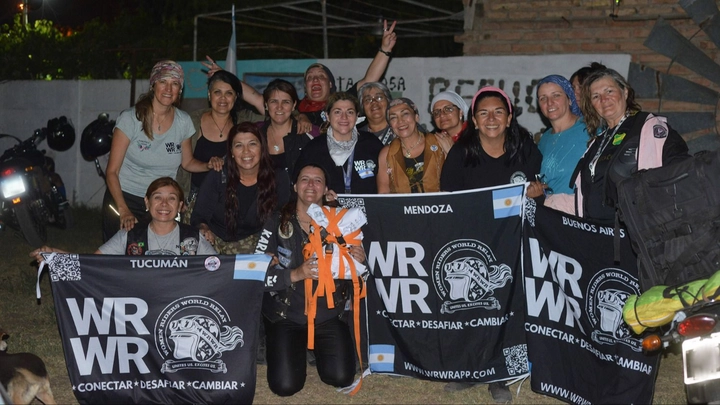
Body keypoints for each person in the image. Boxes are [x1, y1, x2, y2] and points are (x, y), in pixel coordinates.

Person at [255, 163, 365, 396]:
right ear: (295, 186)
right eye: (305, 179)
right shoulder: (276, 222)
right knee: (285, 386)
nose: (311, 185)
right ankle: (283, 344)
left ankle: (312, 349)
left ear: (326, 189)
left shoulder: (343, 221)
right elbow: (255, 276)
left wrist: (359, 260)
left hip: (327, 315)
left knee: (341, 377)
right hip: (287, 315)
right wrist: (295, 274)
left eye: (318, 180)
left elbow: (362, 274)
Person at [547, 67, 690, 224]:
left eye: (609, 91)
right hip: (597, 232)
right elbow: (585, 199)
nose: (603, 99)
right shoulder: (596, 142)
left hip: (637, 232)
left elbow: (681, 168)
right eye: (596, 96)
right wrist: (544, 202)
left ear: (625, 92)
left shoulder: (646, 127)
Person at [102, 60, 223, 242]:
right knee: (119, 255)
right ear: (153, 85)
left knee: (156, 255)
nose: (168, 89)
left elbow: (187, 162)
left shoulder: (183, 121)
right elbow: (112, 171)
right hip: (124, 198)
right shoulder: (130, 119)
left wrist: (209, 165)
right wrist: (124, 210)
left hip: (160, 202)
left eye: (175, 84)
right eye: (163, 82)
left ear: (180, 90)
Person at [32, 177, 216, 258]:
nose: (164, 204)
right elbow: (91, 263)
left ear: (181, 206)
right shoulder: (130, 235)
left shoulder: (193, 237)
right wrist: (53, 254)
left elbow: (220, 269)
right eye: (157, 197)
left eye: (172, 199)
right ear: (147, 202)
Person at [191, 122, 290, 254]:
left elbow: (281, 219)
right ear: (231, 152)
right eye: (238, 145)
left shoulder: (278, 177)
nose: (246, 151)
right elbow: (199, 215)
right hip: (214, 238)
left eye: (252, 144)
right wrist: (204, 228)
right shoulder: (219, 175)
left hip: (255, 241)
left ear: (262, 148)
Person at [440, 86, 545, 198]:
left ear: (508, 119)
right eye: (483, 113)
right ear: (475, 121)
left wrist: (536, 195)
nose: (491, 118)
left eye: (498, 112)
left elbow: (543, 192)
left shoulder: (527, 151)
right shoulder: (459, 155)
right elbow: (448, 202)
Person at [176, 70, 247, 223]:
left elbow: (273, 111)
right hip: (194, 201)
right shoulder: (192, 120)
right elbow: (186, 163)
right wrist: (208, 165)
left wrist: (299, 116)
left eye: (229, 93)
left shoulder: (244, 121)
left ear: (236, 97)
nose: (223, 98)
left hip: (232, 202)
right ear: (209, 95)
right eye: (217, 92)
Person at [298, 20, 397, 126]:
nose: (315, 79)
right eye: (310, 77)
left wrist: (385, 49)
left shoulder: (344, 102)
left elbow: (369, 79)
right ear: (305, 87)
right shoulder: (294, 110)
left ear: (330, 84)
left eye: (321, 76)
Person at [294, 92, 384, 195]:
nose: (344, 117)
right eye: (337, 112)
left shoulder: (372, 144)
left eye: (350, 112)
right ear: (328, 116)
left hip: (369, 206)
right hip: (327, 206)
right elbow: (298, 188)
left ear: (357, 116)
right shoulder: (313, 148)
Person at [377, 98, 446, 193]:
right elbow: (383, 194)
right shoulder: (386, 154)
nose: (400, 121)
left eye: (405, 114)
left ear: (416, 117)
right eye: (393, 117)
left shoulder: (440, 143)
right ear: (390, 125)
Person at [535, 75, 590, 195]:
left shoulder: (590, 129)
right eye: (543, 98)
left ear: (569, 99)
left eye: (556, 95)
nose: (549, 102)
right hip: (550, 205)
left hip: (580, 205)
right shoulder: (544, 139)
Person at [258, 79, 318, 178]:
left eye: (286, 102)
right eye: (274, 101)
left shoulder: (310, 133)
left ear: (294, 105)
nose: (279, 107)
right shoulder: (255, 133)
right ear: (266, 105)